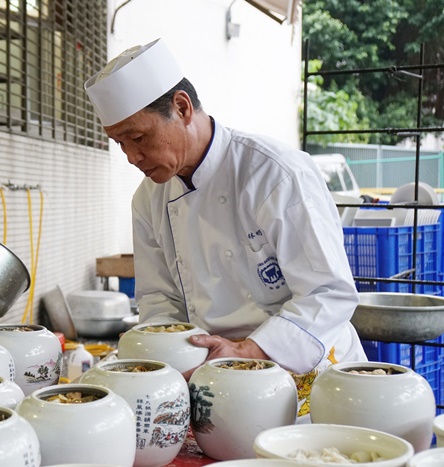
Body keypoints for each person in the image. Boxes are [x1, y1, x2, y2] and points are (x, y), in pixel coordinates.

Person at [84, 39, 366, 412]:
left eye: (138, 138)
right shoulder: (148, 200)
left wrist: (248, 351)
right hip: (215, 379)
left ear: (182, 107)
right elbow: (158, 299)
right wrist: (163, 351)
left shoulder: (273, 174)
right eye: (120, 144)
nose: (132, 157)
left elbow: (328, 292)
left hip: (309, 374)